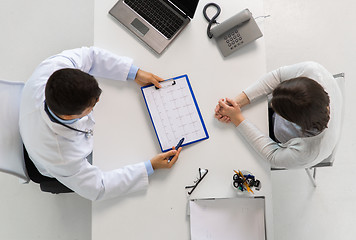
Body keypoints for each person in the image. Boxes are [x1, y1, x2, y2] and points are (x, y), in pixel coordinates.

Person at [19, 46, 182, 201]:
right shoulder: (63, 156)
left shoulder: (52, 69)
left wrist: (135, 72)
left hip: (30, 125)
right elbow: (99, 188)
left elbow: (90, 56)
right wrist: (150, 167)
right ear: (70, 116)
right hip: (47, 161)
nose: (98, 100)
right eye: (92, 105)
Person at [214, 61, 343, 169]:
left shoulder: (308, 152)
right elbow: (278, 76)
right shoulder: (313, 71)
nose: (271, 104)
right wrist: (236, 103)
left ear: (293, 121)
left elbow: (272, 156)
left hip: (281, 141)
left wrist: (237, 118)